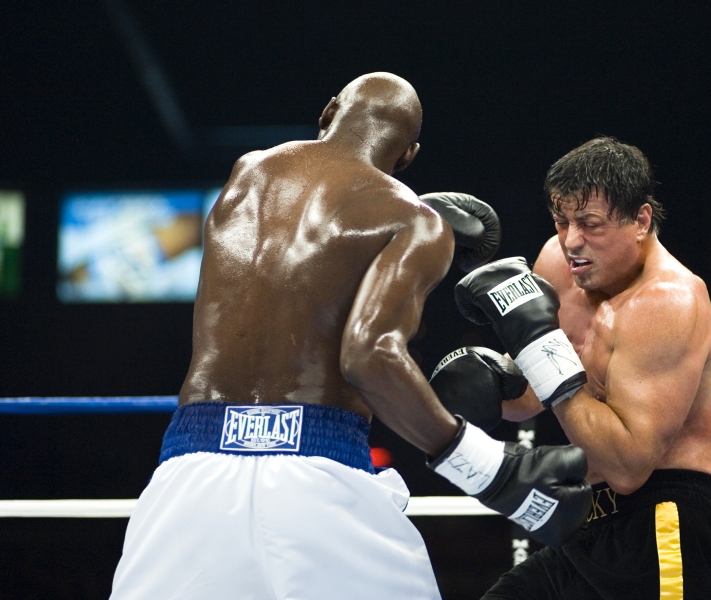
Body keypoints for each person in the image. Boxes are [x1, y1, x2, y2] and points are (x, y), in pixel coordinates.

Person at [108, 73, 591, 600]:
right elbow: (368, 355)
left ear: (328, 112)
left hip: (188, 477)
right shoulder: (412, 220)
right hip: (317, 480)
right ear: (408, 154)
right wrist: (488, 468)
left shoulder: (246, 175)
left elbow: (291, 275)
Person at [447, 137, 711, 598]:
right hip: (586, 520)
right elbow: (531, 395)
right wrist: (486, 383)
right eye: (562, 221)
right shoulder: (558, 264)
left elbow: (627, 466)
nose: (571, 241)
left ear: (640, 220)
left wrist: (539, 349)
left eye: (590, 224)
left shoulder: (668, 302)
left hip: (664, 523)